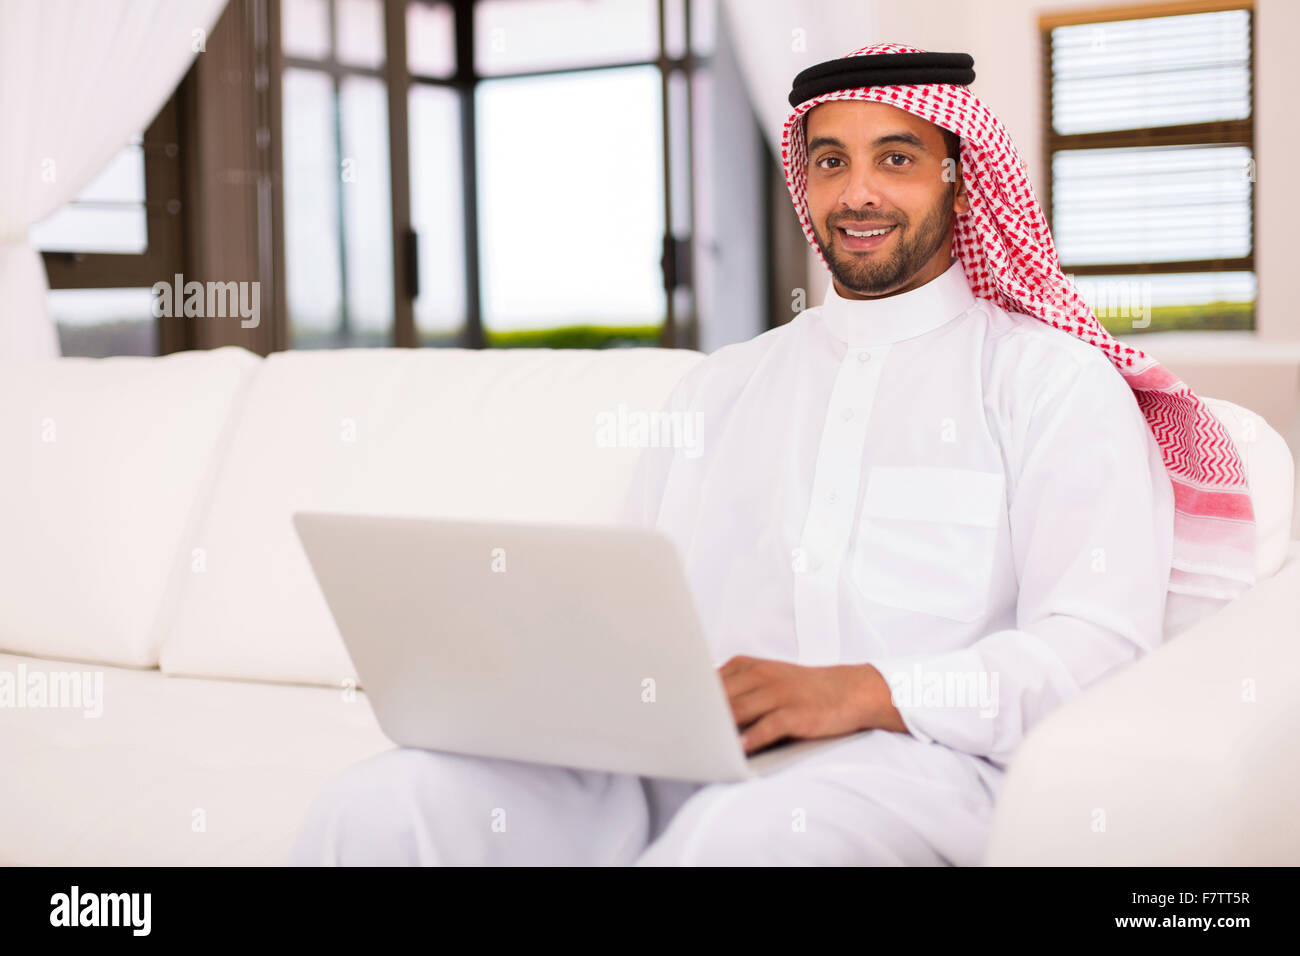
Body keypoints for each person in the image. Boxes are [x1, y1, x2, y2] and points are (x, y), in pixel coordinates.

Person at [287, 42, 1255, 867]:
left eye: (896, 157)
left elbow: (1093, 650)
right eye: (830, 162)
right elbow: (629, 612)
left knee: (735, 842)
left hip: (918, 768)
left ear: (959, 170)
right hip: (680, 759)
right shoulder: (722, 388)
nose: (859, 191)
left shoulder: (1047, 384)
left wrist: (863, 689)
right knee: (377, 808)